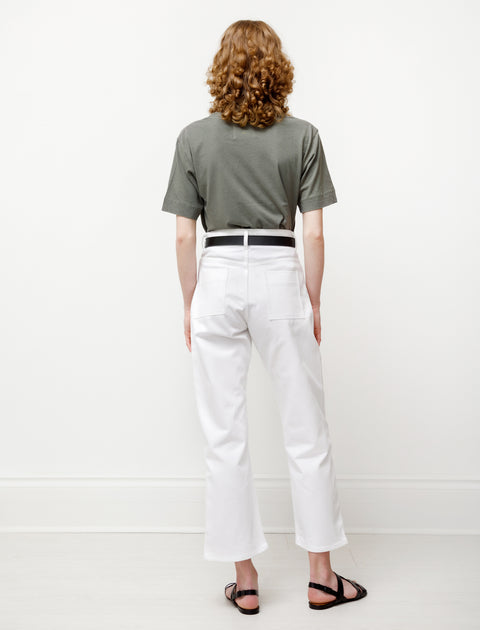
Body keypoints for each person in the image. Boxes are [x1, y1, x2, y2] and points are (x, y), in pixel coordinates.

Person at [161, 19, 367, 615]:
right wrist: (313, 299)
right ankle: (322, 577)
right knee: (307, 431)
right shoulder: (302, 136)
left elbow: (183, 237)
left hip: (218, 271)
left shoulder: (193, 138)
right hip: (279, 269)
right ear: (278, 68)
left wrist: (190, 301)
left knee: (224, 435)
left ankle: (245, 581)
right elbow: (315, 232)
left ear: (220, 68)